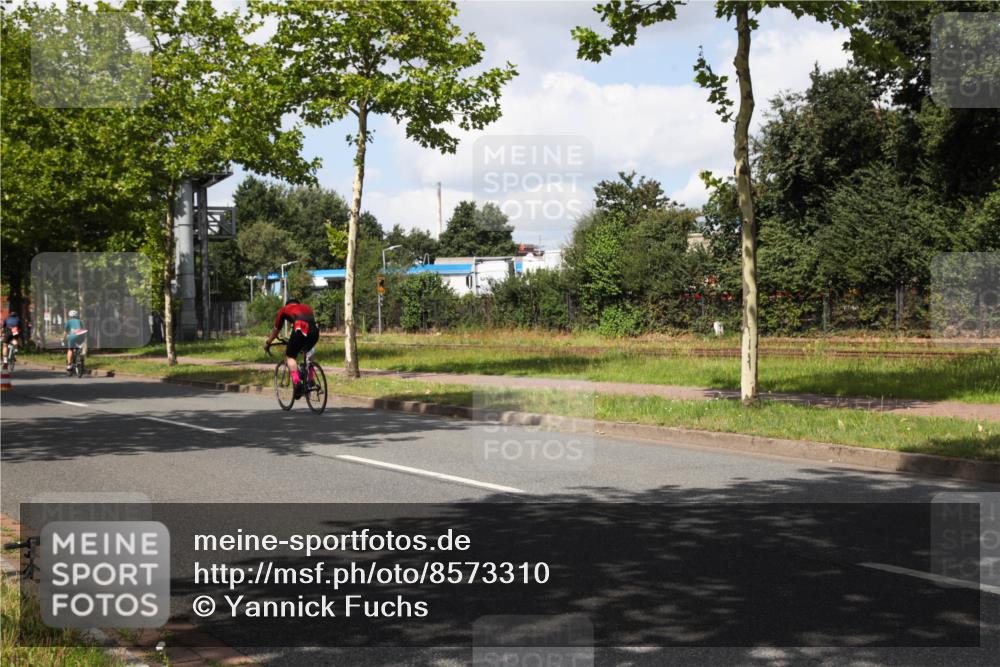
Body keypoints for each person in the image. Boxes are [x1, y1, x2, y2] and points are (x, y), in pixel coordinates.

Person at [264, 298, 319, 398]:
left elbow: (276, 330)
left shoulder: (284, 310)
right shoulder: (307, 307)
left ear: (287, 305)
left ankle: (297, 384)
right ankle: (310, 379)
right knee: (308, 351)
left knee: (290, 356)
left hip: (300, 327)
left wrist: (268, 343)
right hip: (315, 330)